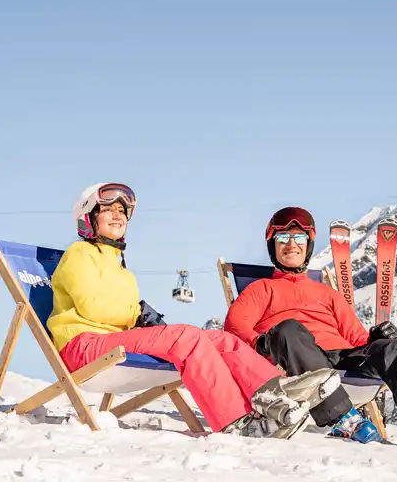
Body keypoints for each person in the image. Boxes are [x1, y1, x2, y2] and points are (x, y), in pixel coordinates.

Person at [48, 183, 341, 439]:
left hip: (112, 344)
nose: (118, 215)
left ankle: (272, 391)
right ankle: (234, 421)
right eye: (108, 209)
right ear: (88, 217)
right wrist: (136, 313)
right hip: (83, 346)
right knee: (186, 338)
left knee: (220, 339)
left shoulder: (120, 267)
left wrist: (138, 316)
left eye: (122, 211)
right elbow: (93, 306)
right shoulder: (79, 253)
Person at [223, 206, 397, 451]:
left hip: (341, 361)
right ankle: (346, 421)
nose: (291, 244)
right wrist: (261, 344)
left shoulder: (327, 294)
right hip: (294, 359)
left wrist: (378, 340)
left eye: (299, 238)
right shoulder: (260, 289)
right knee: (290, 330)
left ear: (308, 245)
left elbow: (355, 338)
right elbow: (235, 327)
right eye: (283, 238)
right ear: (273, 245)